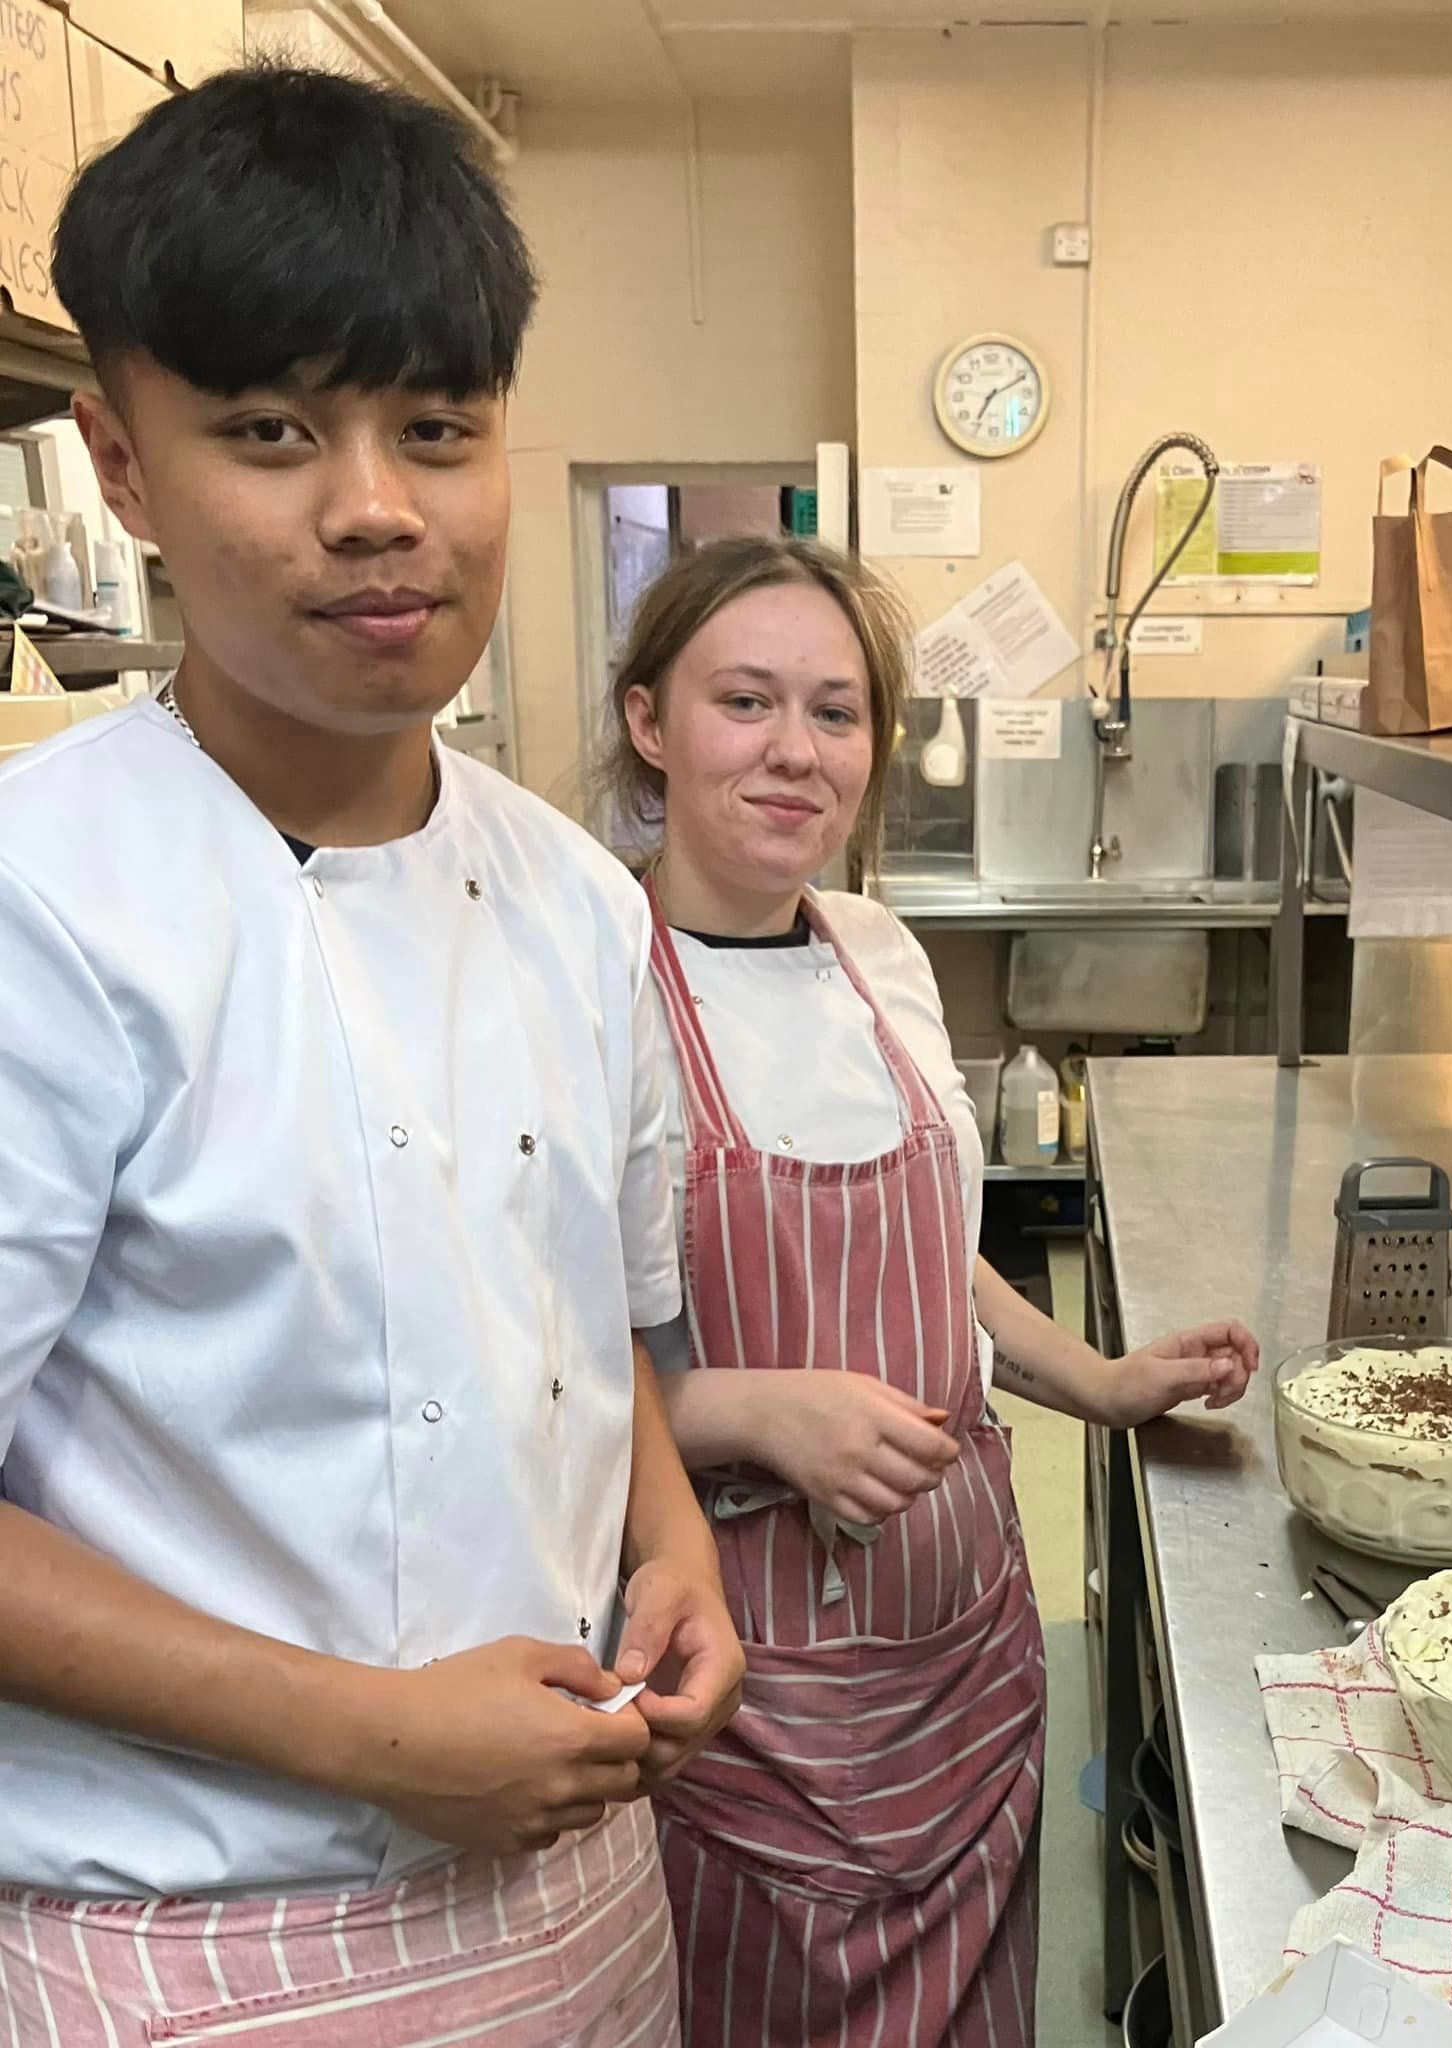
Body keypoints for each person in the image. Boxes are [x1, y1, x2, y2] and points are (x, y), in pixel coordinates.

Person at [0, 65, 743, 2046]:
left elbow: (580, 1329)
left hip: (584, 1888)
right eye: (268, 431)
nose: (376, 508)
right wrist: (381, 1734)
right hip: (201, 1945)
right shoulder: (42, 905)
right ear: (125, 467)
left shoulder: (581, 900)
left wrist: (667, 1545)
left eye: (437, 426)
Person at [603, 535, 1262, 2046]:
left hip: (965, 1643)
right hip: (743, 1682)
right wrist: (751, 1411)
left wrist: (1093, 1382)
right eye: (745, 702)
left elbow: (923, 1247)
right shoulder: (594, 990)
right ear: (651, 723)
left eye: (835, 713)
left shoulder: (877, 957)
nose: (795, 752)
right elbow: (538, 1361)